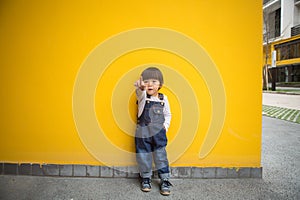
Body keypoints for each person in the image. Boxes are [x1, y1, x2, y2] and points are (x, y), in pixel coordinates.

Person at [134, 67, 173, 196]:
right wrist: (140, 88)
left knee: (161, 156)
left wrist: (165, 126)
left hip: (158, 134)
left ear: (160, 85)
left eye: (154, 81)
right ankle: (145, 178)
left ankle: (165, 179)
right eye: (146, 81)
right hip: (143, 133)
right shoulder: (143, 97)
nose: (150, 84)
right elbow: (140, 93)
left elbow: (168, 114)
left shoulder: (163, 98)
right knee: (144, 156)